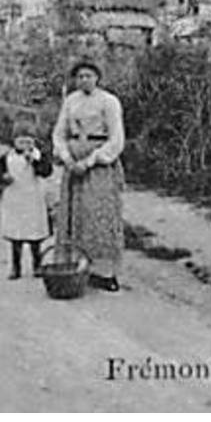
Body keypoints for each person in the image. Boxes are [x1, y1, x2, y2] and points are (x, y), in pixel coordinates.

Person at [51, 60, 126, 292]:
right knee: (74, 214)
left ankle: (105, 272)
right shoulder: (71, 100)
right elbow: (59, 133)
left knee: (99, 214)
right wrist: (66, 157)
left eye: (89, 76)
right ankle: (77, 265)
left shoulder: (109, 101)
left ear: (97, 78)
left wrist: (92, 160)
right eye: (80, 76)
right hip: (74, 163)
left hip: (99, 164)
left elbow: (116, 139)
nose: (84, 80)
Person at [0, 122, 52, 279]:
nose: (25, 145)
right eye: (21, 142)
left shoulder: (39, 156)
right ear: (14, 142)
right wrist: (4, 178)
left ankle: (37, 264)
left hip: (34, 199)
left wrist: (34, 161)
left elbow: (46, 172)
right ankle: (15, 266)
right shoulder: (7, 158)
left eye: (29, 142)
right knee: (16, 235)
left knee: (35, 235)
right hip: (15, 200)